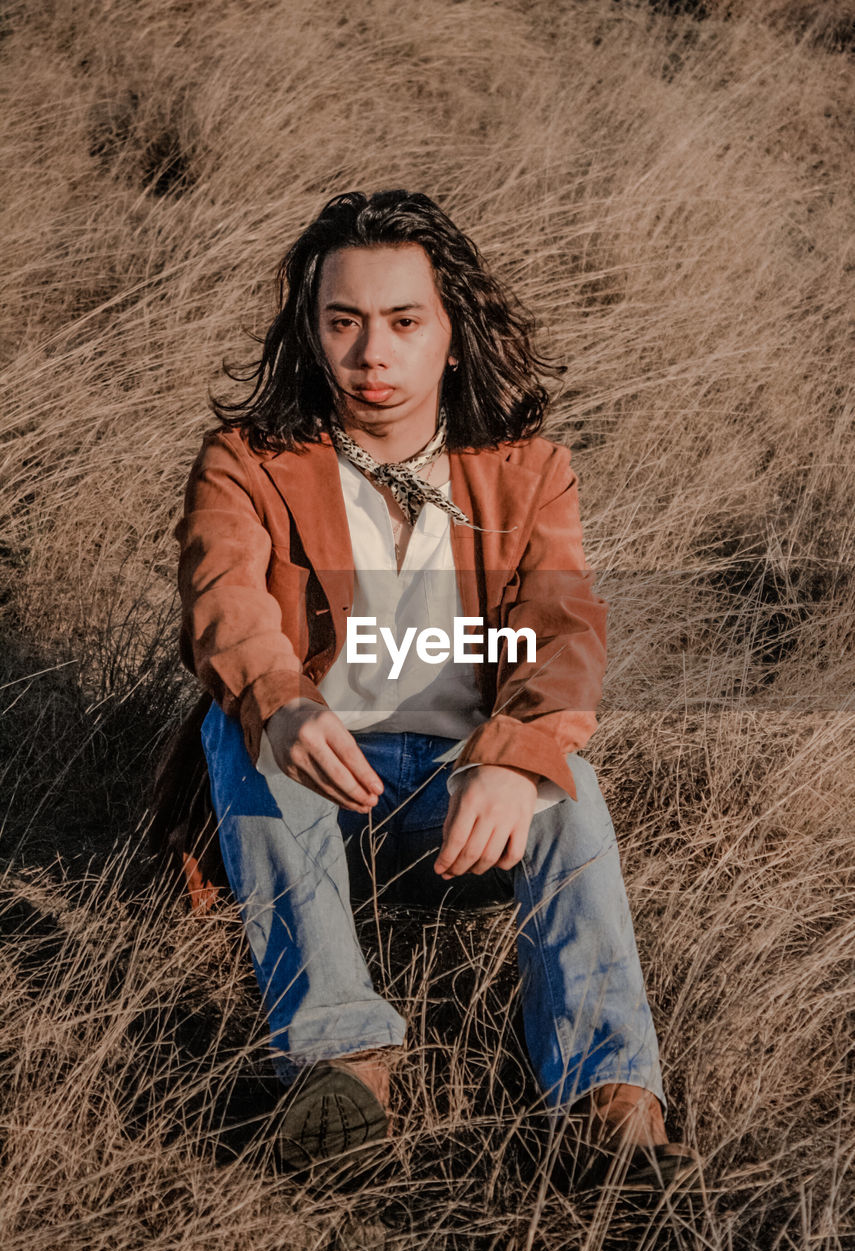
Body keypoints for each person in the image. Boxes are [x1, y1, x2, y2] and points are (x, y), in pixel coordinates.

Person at [173, 188, 698, 1188]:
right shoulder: (250, 462)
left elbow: (565, 632)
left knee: (568, 787)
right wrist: (280, 695)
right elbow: (222, 602)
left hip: (463, 801)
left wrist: (515, 760)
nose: (373, 352)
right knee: (239, 726)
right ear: (312, 330)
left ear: (450, 334)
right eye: (344, 322)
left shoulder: (526, 469)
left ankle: (611, 1111)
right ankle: (343, 1070)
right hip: (309, 807)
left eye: (404, 322)